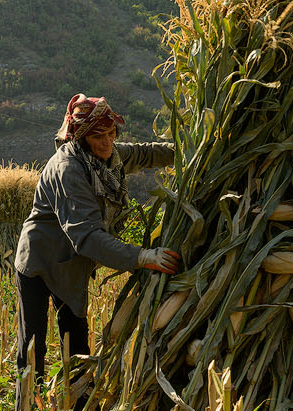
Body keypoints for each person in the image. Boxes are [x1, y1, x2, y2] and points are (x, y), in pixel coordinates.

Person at [14, 94, 179, 379]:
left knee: (76, 341)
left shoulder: (110, 156)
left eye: (111, 133)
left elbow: (145, 154)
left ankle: (77, 401)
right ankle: (26, 404)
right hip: (40, 260)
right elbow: (87, 236)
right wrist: (142, 256)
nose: (107, 142)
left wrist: (184, 149)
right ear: (80, 137)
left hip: (72, 264)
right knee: (32, 347)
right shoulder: (68, 169)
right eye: (97, 136)